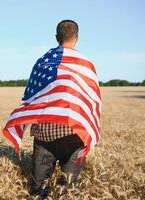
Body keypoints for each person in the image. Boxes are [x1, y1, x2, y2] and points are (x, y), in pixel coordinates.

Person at [29, 20, 89, 197]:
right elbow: (90, 100)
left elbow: (32, 96)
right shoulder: (85, 64)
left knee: (38, 191)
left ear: (56, 38)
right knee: (68, 191)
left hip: (44, 138)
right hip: (74, 136)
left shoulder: (42, 63)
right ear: (77, 38)